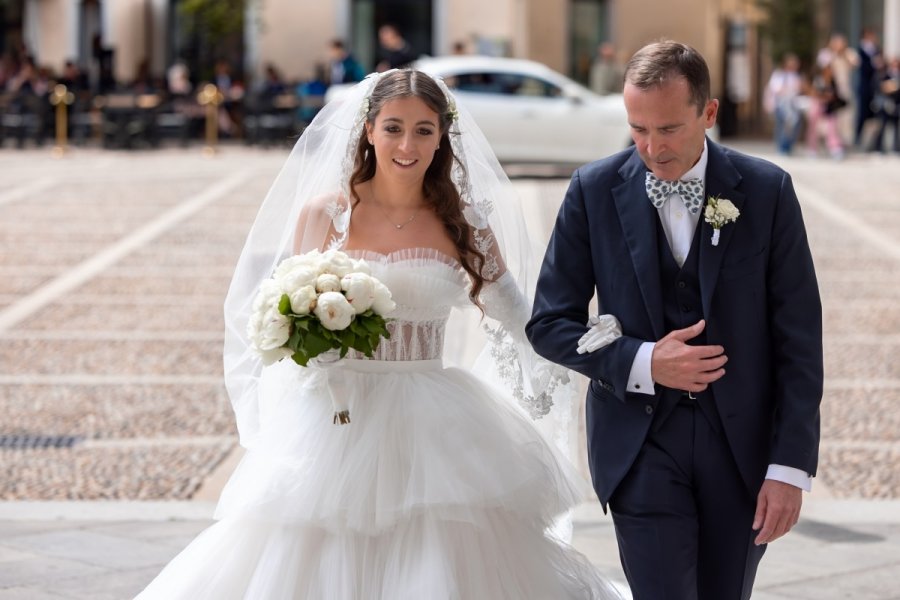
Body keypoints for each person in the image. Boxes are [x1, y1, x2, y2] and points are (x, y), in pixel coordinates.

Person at [134, 69, 623, 599]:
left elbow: (517, 315)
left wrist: (590, 341)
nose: (407, 145)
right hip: (335, 417)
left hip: (435, 418)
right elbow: (279, 316)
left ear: (442, 137)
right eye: (393, 127)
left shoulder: (463, 222)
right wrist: (310, 351)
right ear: (368, 130)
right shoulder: (326, 214)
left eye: (423, 130)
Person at [527, 40, 823, 600]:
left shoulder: (767, 191)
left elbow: (800, 340)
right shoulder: (592, 191)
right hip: (640, 447)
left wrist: (789, 468)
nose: (651, 148)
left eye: (668, 129)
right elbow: (550, 323)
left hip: (742, 452)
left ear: (708, 113)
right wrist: (643, 361)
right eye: (638, 128)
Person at [763, 53, 805, 154]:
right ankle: (781, 147)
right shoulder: (779, 74)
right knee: (781, 126)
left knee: (794, 125)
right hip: (781, 104)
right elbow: (775, 88)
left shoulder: (797, 76)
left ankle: (789, 146)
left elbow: (800, 89)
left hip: (793, 104)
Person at [807, 62, 846, 160]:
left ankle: (835, 148)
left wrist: (830, 97)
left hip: (829, 107)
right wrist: (824, 96)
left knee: (832, 128)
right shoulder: (818, 80)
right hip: (817, 105)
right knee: (813, 128)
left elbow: (836, 95)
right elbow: (813, 93)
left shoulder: (833, 82)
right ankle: (812, 149)